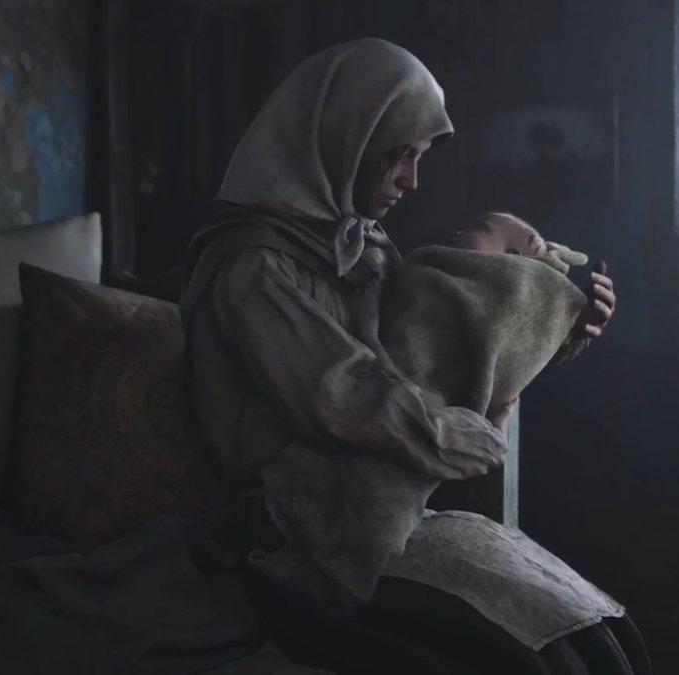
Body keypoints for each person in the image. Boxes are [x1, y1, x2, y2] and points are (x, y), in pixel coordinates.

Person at [179, 39, 643, 675]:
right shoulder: (255, 267)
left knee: (597, 639)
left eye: (419, 157)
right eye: (397, 156)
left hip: (378, 508)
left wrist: (565, 327)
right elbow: (343, 395)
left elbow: (427, 352)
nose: (411, 179)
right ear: (344, 139)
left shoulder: (360, 244)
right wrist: (472, 437)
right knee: (528, 661)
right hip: (294, 536)